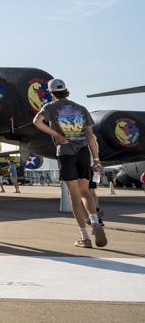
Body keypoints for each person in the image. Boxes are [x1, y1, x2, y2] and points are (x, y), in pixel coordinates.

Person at [33, 78, 107, 248]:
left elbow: (36, 121)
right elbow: (90, 137)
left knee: (74, 195)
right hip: (83, 154)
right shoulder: (81, 109)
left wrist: (56, 135)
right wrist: (96, 159)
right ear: (66, 90)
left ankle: (85, 237)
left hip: (66, 153)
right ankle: (95, 221)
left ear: (51, 93)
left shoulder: (50, 107)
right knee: (85, 192)